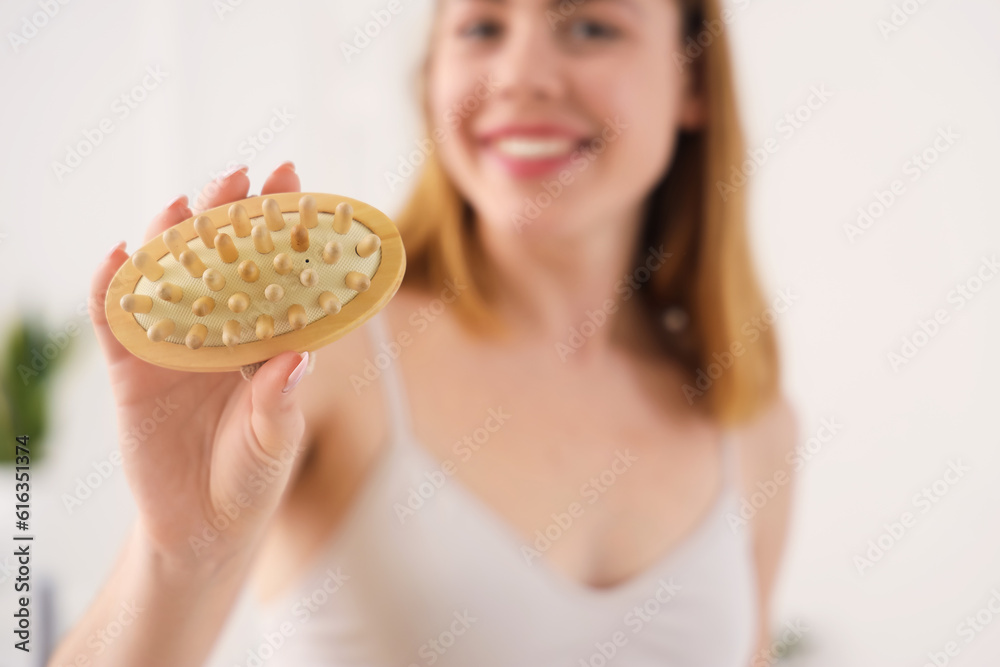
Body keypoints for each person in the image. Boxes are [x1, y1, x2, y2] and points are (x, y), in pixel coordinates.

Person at [51, 0, 798, 665]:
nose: (520, 74)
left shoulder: (748, 418)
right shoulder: (319, 364)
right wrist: (181, 553)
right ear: (432, 78)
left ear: (694, 82)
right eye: (480, 27)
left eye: (592, 25)